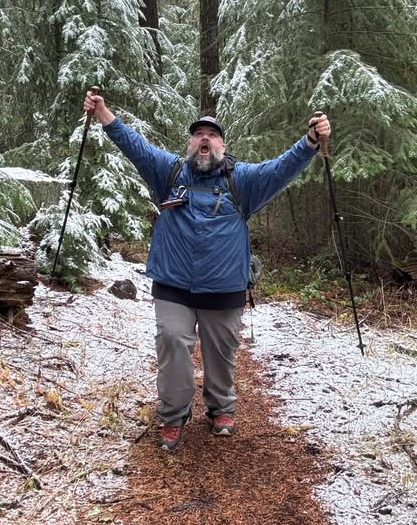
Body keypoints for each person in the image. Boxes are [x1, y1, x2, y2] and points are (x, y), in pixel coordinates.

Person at [83, 92, 331, 451]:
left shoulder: (242, 180)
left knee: (221, 352)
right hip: (173, 283)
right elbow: (136, 146)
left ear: (222, 146)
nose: (204, 138)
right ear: (190, 144)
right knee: (172, 341)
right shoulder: (169, 172)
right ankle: (174, 414)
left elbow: (280, 169)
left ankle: (221, 407)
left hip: (224, 287)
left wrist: (309, 142)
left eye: (212, 135)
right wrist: (104, 114)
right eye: (198, 134)